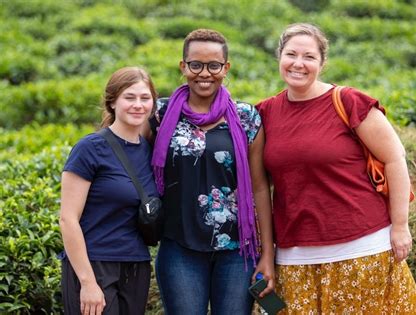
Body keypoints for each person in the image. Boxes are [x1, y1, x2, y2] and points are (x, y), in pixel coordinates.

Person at [256, 23, 416, 314]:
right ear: (279, 57)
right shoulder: (264, 113)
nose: (298, 63)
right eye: (291, 54)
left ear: (322, 63)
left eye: (309, 57)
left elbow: (395, 157)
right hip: (294, 258)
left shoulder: (349, 102)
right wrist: (267, 254)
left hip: (362, 250)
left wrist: (400, 226)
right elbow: (260, 188)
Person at [142, 29, 275, 314]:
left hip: (238, 250)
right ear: (183, 66)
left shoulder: (246, 117)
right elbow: (127, 151)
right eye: (196, 65)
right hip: (180, 247)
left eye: (214, 65)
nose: (205, 73)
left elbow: (260, 187)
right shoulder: (159, 115)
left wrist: (267, 253)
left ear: (226, 68)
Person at [59, 66, 158, 315]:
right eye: (129, 97)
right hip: (94, 264)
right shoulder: (90, 148)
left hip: (136, 266)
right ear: (113, 102)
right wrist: (88, 282)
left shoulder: (151, 152)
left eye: (145, 98)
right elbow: (68, 219)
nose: (138, 105)